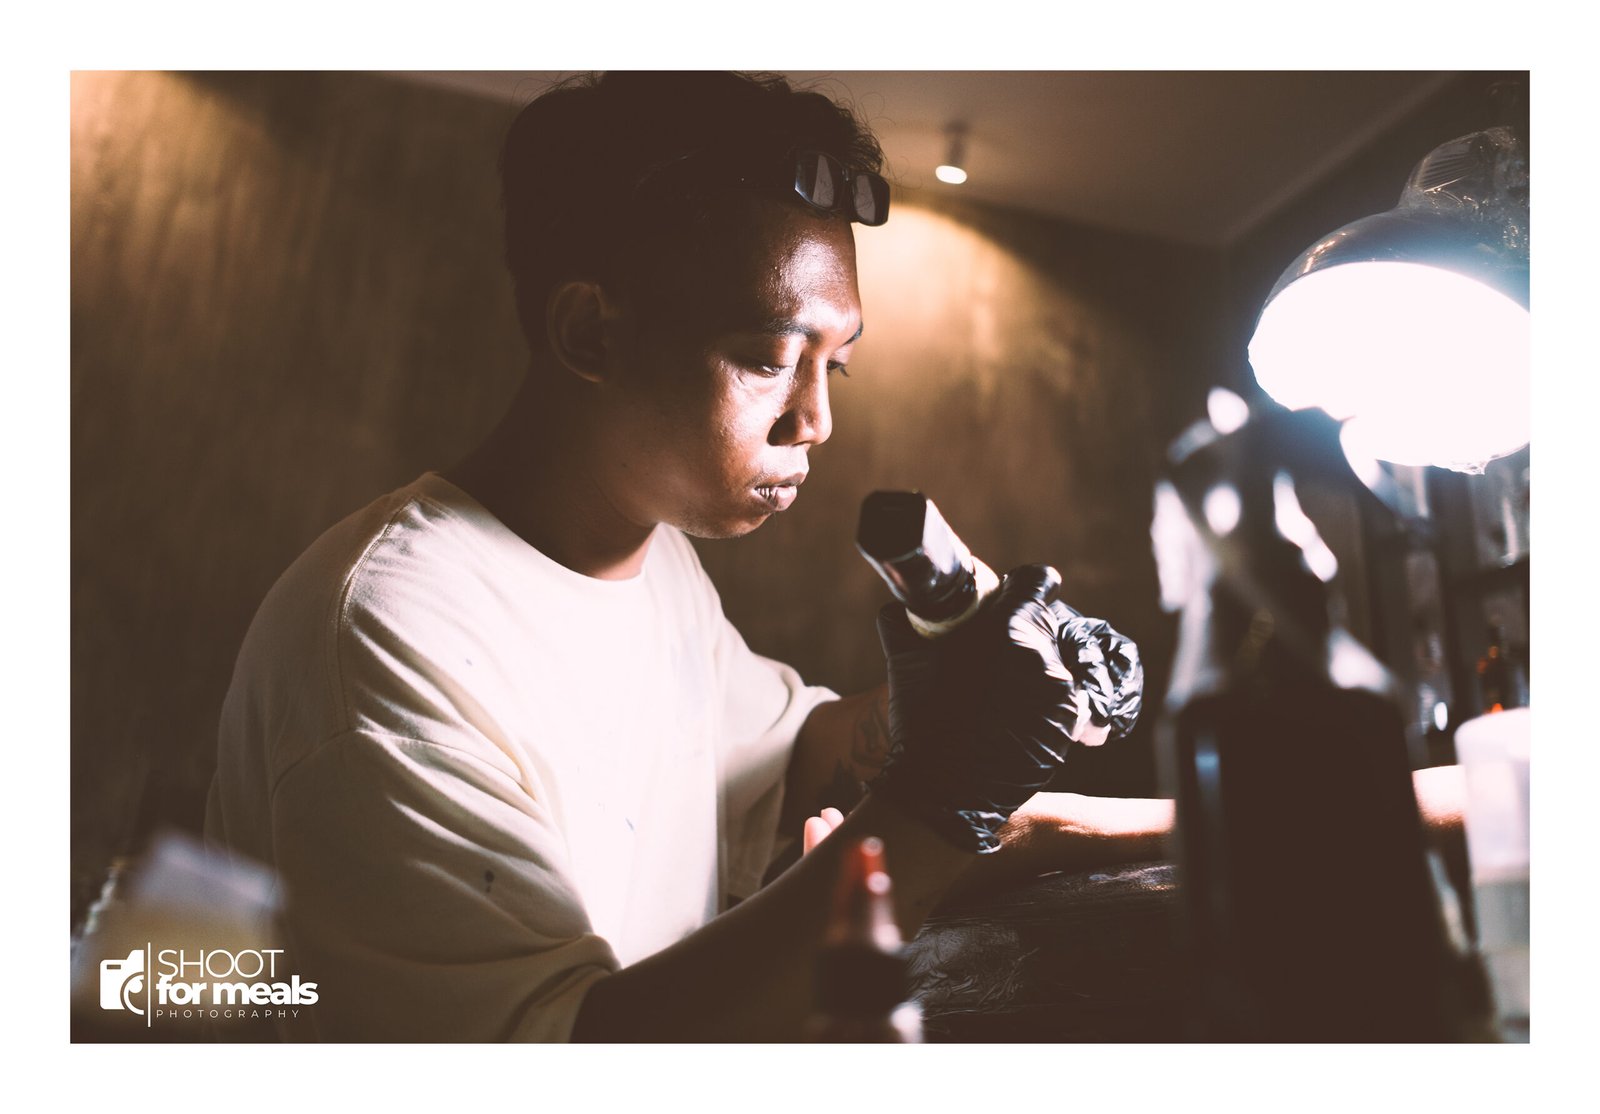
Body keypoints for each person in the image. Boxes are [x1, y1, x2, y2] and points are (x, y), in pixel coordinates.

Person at [204, 71, 1463, 1042]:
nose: (814, 421)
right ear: (590, 331)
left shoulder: (651, 565)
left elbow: (787, 757)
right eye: (766, 357)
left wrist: (957, 697)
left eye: (834, 366)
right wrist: (948, 786)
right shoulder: (388, 635)